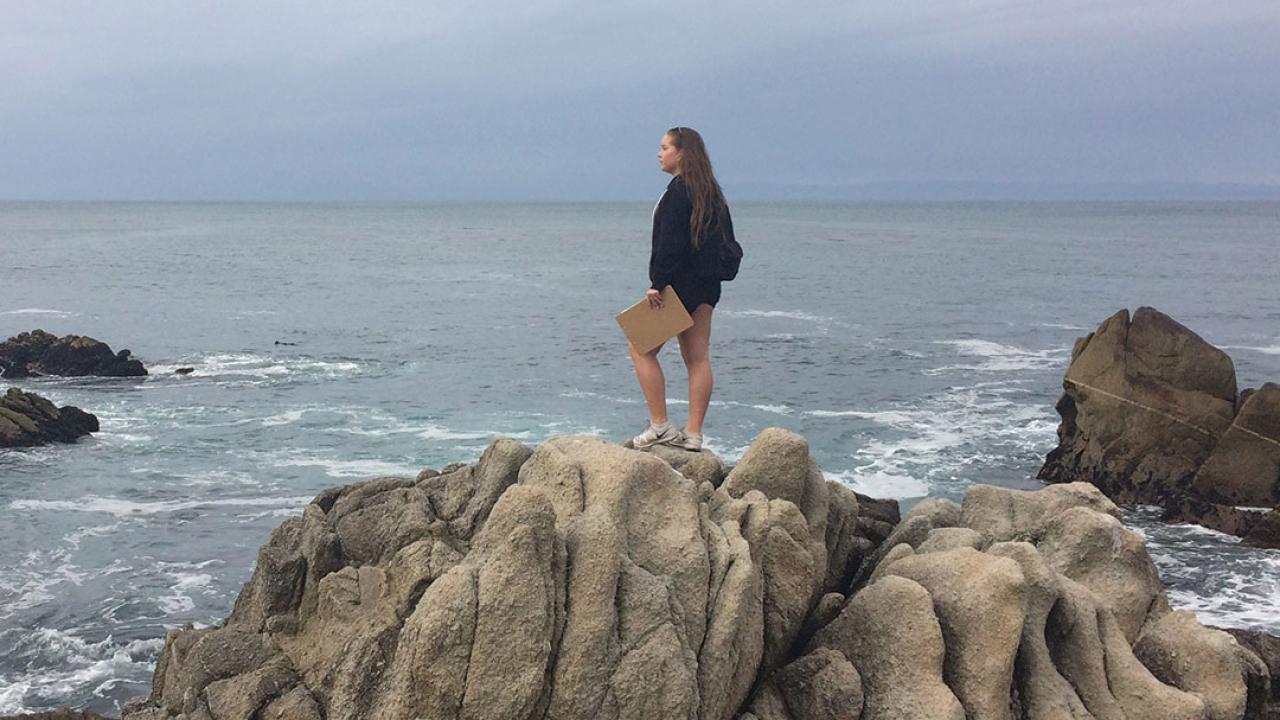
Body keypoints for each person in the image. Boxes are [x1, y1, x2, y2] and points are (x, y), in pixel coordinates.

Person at [628, 126, 735, 452]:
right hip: (706, 287)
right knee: (698, 357)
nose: (659, 153)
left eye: (664, 147)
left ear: (682, 153)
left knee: (639, 348)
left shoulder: (678, 192)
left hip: (677, 288)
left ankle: (660, 426)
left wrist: (657, 283)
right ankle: (693, 434)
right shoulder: (711, 192)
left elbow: (670, 245)